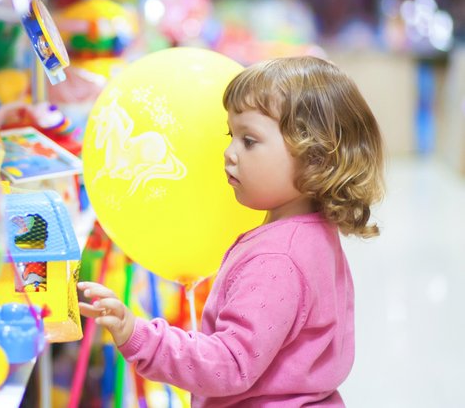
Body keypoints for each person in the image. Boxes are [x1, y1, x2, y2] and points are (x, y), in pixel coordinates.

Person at [78, 56, 385, 407]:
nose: (228, 152)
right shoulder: (313, 233)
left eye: (249, 140)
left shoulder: (277, 259)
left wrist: (138, 335)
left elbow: (229, 364)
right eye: (231, 135)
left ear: (314, 156)